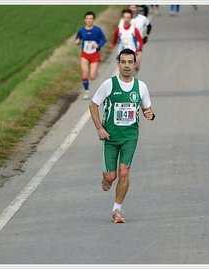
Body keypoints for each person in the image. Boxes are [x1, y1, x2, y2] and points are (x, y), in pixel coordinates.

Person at [89, 48, 155, 223]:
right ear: (118, 63)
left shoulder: (141, 87)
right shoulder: (109, 84)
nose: (127, 65)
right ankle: (107, 178)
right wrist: (99, 128)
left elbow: (147, 108)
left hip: (130, 137)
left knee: (124, 173)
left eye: (130, 62)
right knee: (111, 176)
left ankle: (117, 210)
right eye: (123, 62)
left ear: (134, 64)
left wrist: (150, 114)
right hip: (110, 138)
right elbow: (93, 105)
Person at [75, 11, 107, 100]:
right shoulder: (81, 30)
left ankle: (94, 73)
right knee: (85, 72)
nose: (89, 20)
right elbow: (77, 39)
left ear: (93, 20)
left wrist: (98, 45)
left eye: (91, 19)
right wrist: (77, 42)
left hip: (94, 54)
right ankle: (87, 92)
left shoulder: (97, 30)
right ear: (85, 20)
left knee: (92, 77)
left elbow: (104, 40)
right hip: (84, 53)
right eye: (87, 19)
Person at [118, 5, 152, 74]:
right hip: (126, 44)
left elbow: (149, 26)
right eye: (131, 7)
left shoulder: (142, 18)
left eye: (134, 7)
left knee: (136, 66)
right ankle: (130, 80)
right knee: (126, 67)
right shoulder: (123, 20)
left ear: (137, 9)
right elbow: (119, 31)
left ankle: (133, 77)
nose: (132, 9)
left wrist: (146, 36)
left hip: (138, 44)